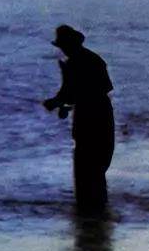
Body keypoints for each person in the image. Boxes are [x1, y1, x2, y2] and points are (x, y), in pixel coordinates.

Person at [44, 25, 115, 214]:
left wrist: (57, 102)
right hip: (101, 116)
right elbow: (98, 89)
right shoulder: (90, 60)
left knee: (87, 166)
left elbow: (74, 92)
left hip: (90, 119)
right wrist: (63, 102)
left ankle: (89, 214)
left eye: (64, 46)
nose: (63, 50)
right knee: (96, 167)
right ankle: (96, 213)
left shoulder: (77, 63)